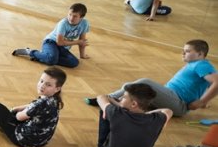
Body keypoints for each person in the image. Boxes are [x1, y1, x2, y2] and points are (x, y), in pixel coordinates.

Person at [86, 39, 217, 117]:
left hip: (178, 103)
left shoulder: (201, 64)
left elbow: (216, 82)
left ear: (200, 54)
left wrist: (201, 102)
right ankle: (117, 103)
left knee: (144, 82)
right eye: (183, 50)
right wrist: (203, 100)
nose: (183, 53)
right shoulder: (196, 65)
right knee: (133, 89)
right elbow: (206, 84)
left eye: (187, 51)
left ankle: (108, 99)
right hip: (170, 98)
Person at [0, 67, 66, 147]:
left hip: (24, 140)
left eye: (48, 85)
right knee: (17, 112)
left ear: (57, 89)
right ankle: (0, 121)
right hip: (42, 141)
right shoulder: (55, 100)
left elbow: (19, 117)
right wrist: (16, 108)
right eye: (41, 81)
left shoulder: (40, 104)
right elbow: (31, 106)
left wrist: (13, 111)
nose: (42, 86)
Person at [96, 84, 172, 147]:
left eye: (124, 97)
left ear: (133, 104)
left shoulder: (116, 113)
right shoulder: (157, 119)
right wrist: (146, 114)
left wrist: (116, 104)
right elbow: (168, 111)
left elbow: (100, 97)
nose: (120, 98)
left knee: (104, 110)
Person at [12, 3, 89, 68]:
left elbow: (82, 41)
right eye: (70, 14)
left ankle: (43, 57)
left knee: (74, 62)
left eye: (75, 16)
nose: (71, 18)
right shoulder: (63, 24)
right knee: (52, 60)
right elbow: (59, 42)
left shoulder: (84, 23)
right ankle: (30, 52)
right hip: (51, 42)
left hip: (63, 47)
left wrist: (82, 55)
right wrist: (77, 42)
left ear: (81, 17)